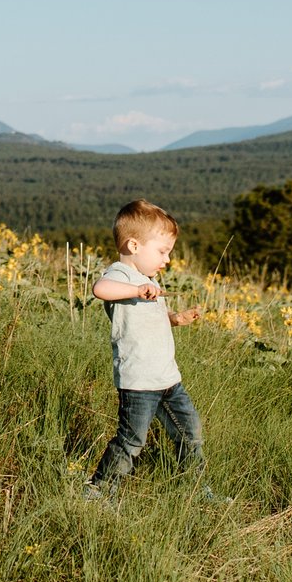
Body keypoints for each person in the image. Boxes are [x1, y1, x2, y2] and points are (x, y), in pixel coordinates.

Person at [84, 198, 208, 496]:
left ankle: (196, 490)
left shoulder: (147, 280)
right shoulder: (121, 275)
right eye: (162, 251)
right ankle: (100, 491)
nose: (167, 259)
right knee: (131, 440)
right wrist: (138, 289)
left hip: (167, 379)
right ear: (134, 246)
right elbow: (100, 290)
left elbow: (149, 319)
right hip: (139, 382)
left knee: (189, 434)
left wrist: (174, 318)